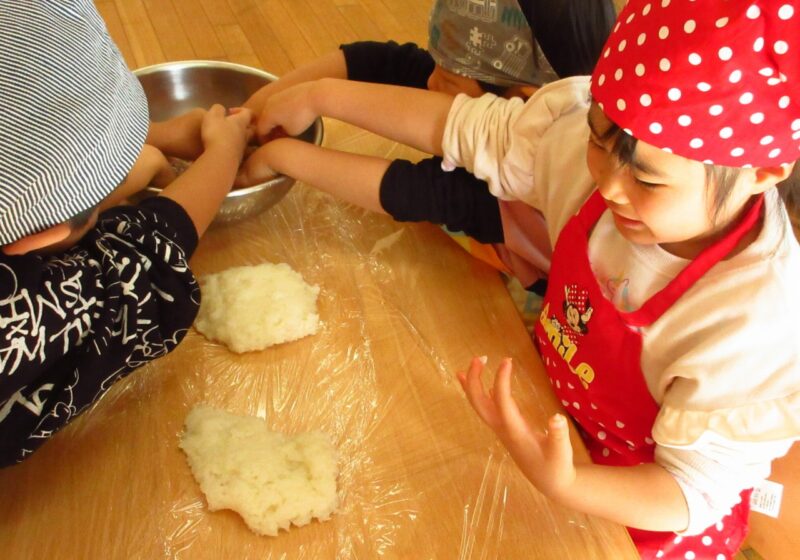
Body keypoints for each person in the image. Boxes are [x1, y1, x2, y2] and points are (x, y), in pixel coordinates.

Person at [249, 0, 800, 557]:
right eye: (596, 139)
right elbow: (461, 126)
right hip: (551, 416)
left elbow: (690, 490)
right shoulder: (609, 166)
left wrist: (567, 483)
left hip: (641, 520)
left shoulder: (755, 322)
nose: (608, 185)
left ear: (761, 173)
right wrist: (318, 98)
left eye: (647, 180)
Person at [0, 0, 252, 467]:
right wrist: (224, 153)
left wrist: (152, 138)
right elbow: (140, 274)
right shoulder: (18, 322)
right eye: (97, 197)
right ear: (40, 235)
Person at [240, 0, 616, 298]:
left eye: (448, 78)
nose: (430, 81)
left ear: (520, 105)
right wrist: (258, 106)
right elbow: (375, 60)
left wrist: (280, 155)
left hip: (546, 295)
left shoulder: (530, 190)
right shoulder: (504, 96)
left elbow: (419, 191)